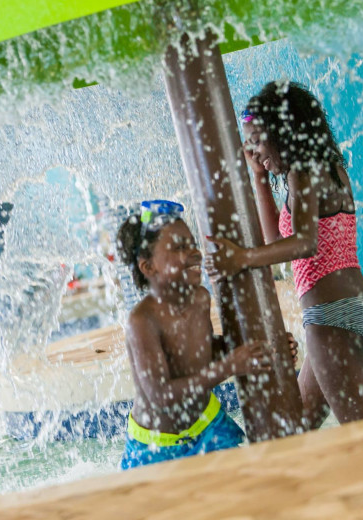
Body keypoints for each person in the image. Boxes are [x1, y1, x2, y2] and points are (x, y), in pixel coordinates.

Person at [205, 81, 363, 429]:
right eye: (249, 143)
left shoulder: (305, 172)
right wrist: (258, 177)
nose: (253, 150)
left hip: (331, 318)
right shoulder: (321, 170)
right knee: (298, 427)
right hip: (349, 311)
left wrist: (241, 258)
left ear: (285, 132)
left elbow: (304, 244)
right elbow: (277, 239)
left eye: (258, 140)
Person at [116, 199, 298, 470]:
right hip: (157, 444)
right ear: (148, 267)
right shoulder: (142, 320)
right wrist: (230, 366)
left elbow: (204, 350)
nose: (194, 253)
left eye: (191, 243)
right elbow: (160, 395)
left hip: (207, 426)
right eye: (179, 247)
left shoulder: (200, 299)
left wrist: (265, 347)